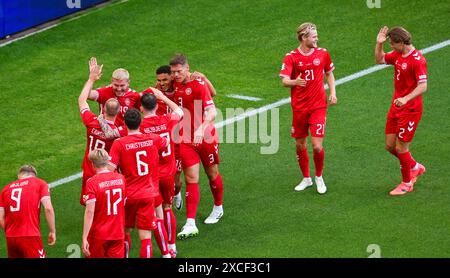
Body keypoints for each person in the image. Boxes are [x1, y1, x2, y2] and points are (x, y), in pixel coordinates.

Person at [142, 65, 218, 211]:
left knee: (187, 176)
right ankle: (176, 194)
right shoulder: (156, 91)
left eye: (165, 79)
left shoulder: (182, 85)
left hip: (185, 137)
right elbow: (139, 101)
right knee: (175, 180)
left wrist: (203, 78)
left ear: (172, 77)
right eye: (159, 80)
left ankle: (175, 200)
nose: (162, 83)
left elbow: (212, 93)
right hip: (169, 140)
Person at [170, 54, 224, 240]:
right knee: (191, 177)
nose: (176, 75)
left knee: (212, 174)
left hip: (205, 137)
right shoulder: (174, 83)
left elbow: (211, 110)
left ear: (187, 68)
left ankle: (218, 207)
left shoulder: (198, 83)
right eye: (173, 72)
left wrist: (201, 129)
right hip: (185, 139)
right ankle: (190, 223)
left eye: (179, 71)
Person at [279, 22, 337, 194]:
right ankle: (306, 178)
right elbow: (284, 81)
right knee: (300, 144)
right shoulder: (291, 57)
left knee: (317, 146)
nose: (316, 38)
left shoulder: (323, 53)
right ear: (304, 38)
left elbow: (329, 73)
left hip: (318, 106)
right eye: (313, 36)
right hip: (299, 108)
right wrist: (294, 81)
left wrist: (333, 92)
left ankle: (319, 176)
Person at [108, 108, 167, 258]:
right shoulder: (153, 139)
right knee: (145, 237)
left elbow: (110, 169)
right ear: (140, 122)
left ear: (125, 124)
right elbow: (165, 143)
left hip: (128, 195)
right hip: (148, 194)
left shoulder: (119, 143)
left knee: (126, 231)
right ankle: (167, 252)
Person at [375, 26, 427, 195]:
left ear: (401, 43)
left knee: (401, 148)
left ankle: (407, 183)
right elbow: (379, 59)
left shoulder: (417, 60)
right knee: (390, 146)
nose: (391, 46)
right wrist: (379, 44)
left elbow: (423, 86)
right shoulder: (398, 54)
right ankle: (414, 166)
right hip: (396, 106)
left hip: (410, 109)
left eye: (392, 43)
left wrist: (405, 98)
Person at [140, 92, 184, 257]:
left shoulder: (140, 126)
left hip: (150, 176)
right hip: (167, 174)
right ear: (157, 106)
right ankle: (172, 247)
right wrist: (164, 97)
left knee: (155, 214)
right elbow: (179, 111)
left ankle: (165, 252)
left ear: (141, 108)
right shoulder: (167, 119)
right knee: (167, 208)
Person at [79, 57, 125, 205]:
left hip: (89, 167)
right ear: (118, 113)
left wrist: (91, 78)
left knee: (90, 205)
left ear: (103, 109)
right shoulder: (118, 132)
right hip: (106, 172)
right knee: (107, 205)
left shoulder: (91, 122)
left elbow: (82, 100)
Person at [0, 165, 56, 258]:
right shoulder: (40, 183)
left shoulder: (6, 189)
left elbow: (0, 216)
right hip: (30, 236)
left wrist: (10, 231)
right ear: (34, 175)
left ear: (19, 175)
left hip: (11, 239)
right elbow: (48, 208)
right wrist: (52, 231)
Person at [82, 149, 126, 258]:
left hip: (99, 234)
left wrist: (84, 237)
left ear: (93, 164)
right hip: (117, 232)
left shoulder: (92, 182)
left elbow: (89, 211)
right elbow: (123, 202)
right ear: (107, 162)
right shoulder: (121, 178)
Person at [88, 60, 141, 127]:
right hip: (105, 133)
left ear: (128, 82)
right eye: (116, 85)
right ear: (112, 81)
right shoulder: (104, 92)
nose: (119, 89)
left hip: (123, 135)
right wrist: (91, 79)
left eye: (122, 85)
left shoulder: (134, 96)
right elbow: (87, 95)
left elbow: (139, 115)